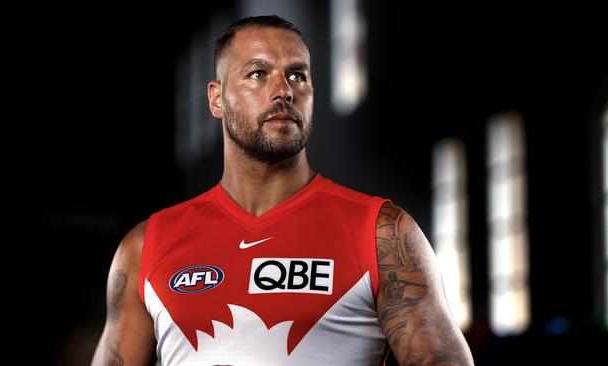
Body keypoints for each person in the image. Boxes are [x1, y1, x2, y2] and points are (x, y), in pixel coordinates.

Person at [92, 15, 474, 366]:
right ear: (216, 98)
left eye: (297, 76)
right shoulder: (146, 247)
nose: (283, 91)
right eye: (258, 74)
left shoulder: (382, 233)